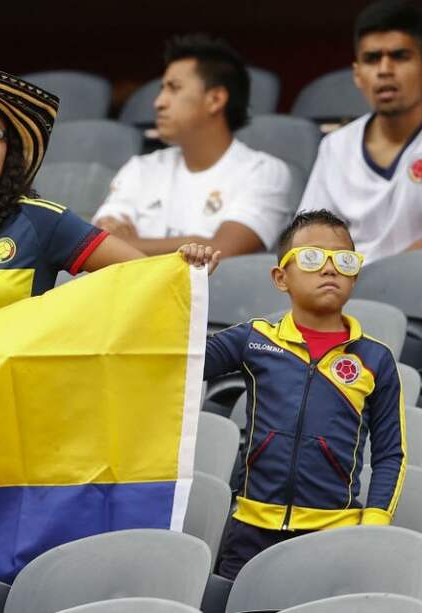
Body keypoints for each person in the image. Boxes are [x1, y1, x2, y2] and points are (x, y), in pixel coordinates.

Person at [0, 62, 218, 355]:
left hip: (18, 411)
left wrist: (186, 266)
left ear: (8, 157)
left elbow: (143, 275)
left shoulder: (41, 221)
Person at [205, 210, 406, 580]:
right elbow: (186, 362)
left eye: (344, 260)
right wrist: (189, 284)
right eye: (312, 258)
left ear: (354, 275)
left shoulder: (375, 358)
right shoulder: (255, 339)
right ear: (281, 278)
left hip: (334, 534)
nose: (330, 269)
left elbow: (391, 453)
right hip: (250, 530)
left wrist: (376, 518)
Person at [92, 34, 293, 257]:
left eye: (174, 88)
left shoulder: (263, 171)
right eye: (162, 89)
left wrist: (131, 243)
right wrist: (195, 242)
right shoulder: (141, 167)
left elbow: (221, 252)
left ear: (215, 99)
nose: (159, 102)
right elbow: (100, 241)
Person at [298, 0, 422, 263]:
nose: (385, 70)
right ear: (357, 74)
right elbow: (310, 236)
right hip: (347, 290)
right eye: (372, 59)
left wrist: (385, 279)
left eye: (400, 56)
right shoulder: (335, 146)